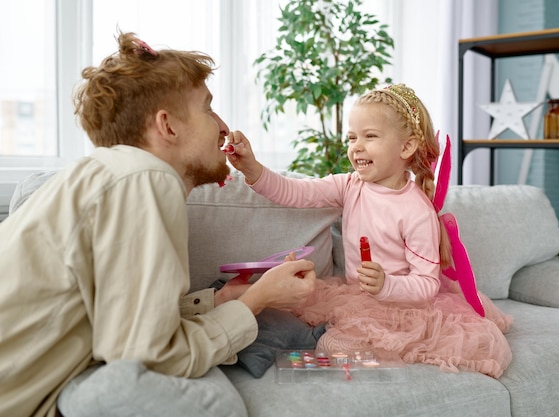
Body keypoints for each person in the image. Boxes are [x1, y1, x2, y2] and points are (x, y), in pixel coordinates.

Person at [0, 31, 317, 417]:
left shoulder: (111, 176)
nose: (222, 126)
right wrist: (256, 300)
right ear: (167, 126)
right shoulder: (145, 177)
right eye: (208, 108)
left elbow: (120, 323)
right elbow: (150, 358)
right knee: (215, 403)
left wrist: (219, 301)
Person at [227, 84, 513, 378]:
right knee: (285, 311)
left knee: (334, 345)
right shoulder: (350, 185)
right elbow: (295, 192)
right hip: (354, 298)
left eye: (370, 136)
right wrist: (251, 168)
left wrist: (386, 284)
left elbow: (427, 285)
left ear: (406, 147)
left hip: (400, 308)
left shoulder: (417, 212)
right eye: (352, 137)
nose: (356, 146)